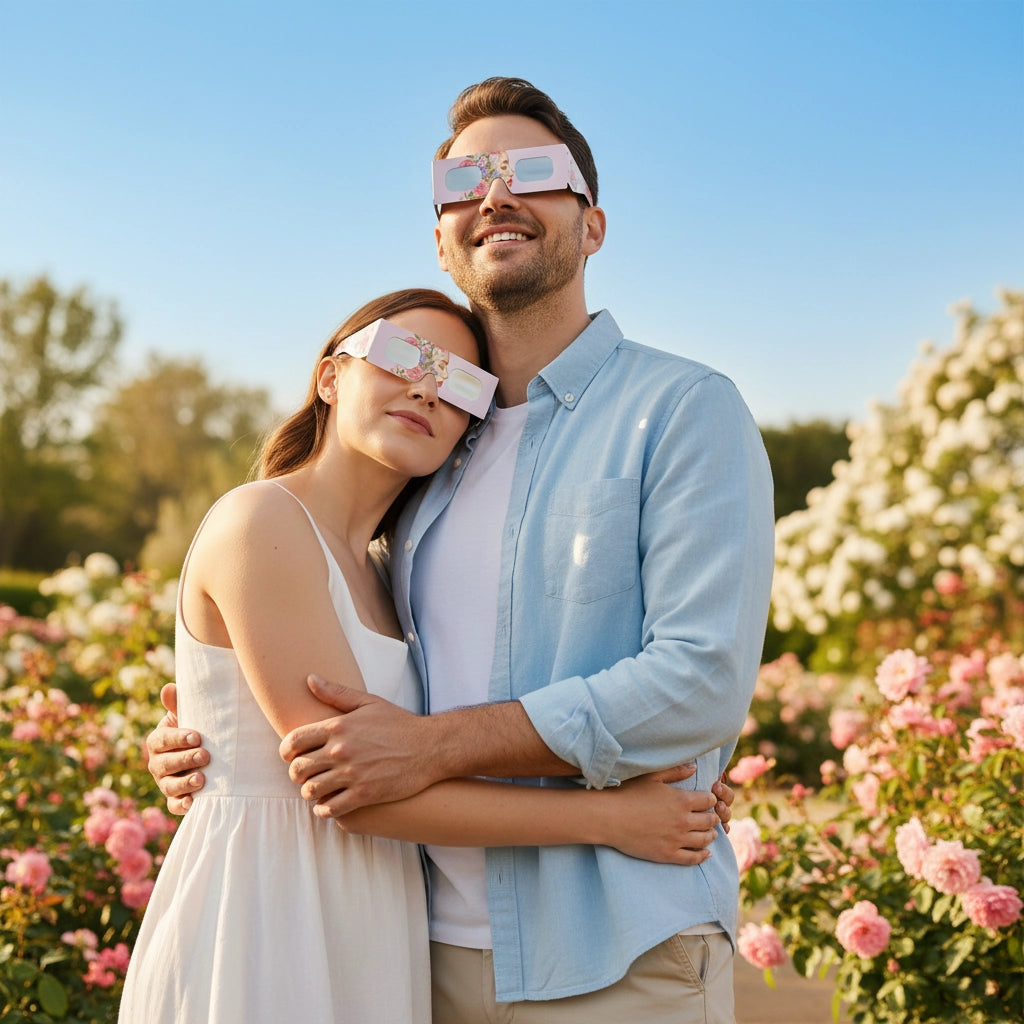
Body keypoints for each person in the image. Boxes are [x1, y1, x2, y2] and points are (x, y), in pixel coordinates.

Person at [151, 76, 773, 1023]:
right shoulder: (430, 458)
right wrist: (215, 739)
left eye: (532, 171)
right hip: (413, 953)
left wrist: (429, 747)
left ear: (592, 225)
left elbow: (700, 681)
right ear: (442, 238)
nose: (495, 193)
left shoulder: (682, 412)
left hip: (613, 948)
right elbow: (319, 719)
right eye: (463, 182)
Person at [124, 288, 729, 1024]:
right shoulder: (262, 521)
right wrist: (610, 818)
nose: (426, 386)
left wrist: (665, 764)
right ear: (330, 376)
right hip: (270, 917)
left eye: (462, 384)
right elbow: (360, 786)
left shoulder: (391, 568)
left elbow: (417, 739)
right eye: (403, 355)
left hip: (380, 917)